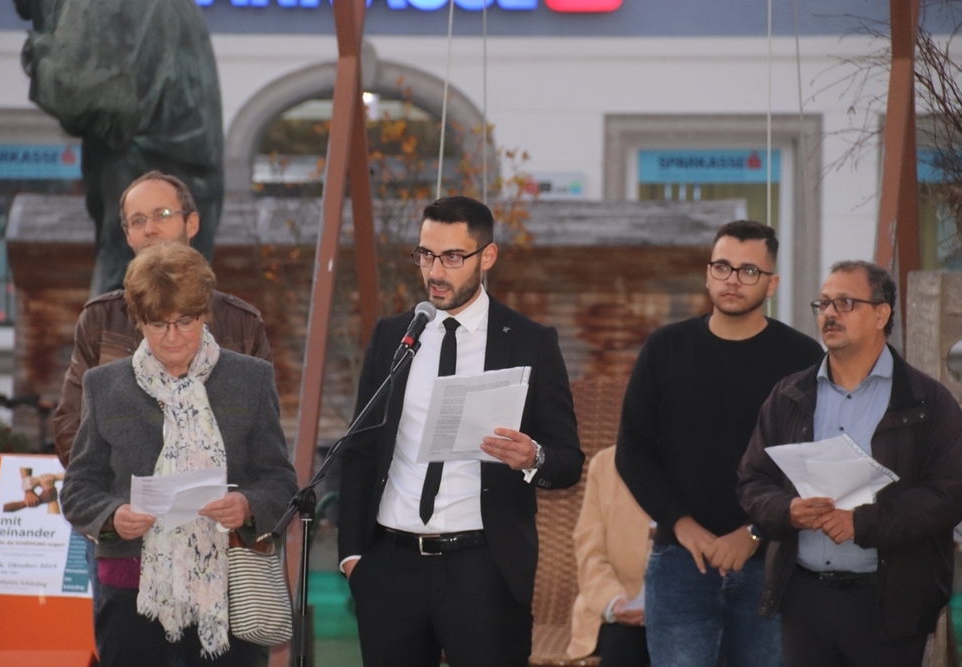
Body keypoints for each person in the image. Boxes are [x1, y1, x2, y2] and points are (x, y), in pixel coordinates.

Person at [338, 195, 584, 667]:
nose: (435, 271)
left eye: (452, 257)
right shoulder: (393, 336)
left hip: (483, 569)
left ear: (487, 256)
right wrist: (353, 557)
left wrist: (533, 457)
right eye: (425, 254)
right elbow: (360, 450)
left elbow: (569, 460)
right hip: (390, 567)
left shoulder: (530, 341)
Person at [60, 243, 298, 667]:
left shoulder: (251, 379)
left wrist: (247, 505)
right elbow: (78, 489)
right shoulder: (103, 386)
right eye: (157, 324)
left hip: (228, 588)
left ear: (204, 314)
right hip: (131, 594)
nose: (172, 337)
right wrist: (113, 516)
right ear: (138, 322)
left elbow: (280, 482)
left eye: (184, 321)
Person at [616, 220, 823, 667]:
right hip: (680, 562)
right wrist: (682, 525)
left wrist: (755, 532)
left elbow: (813, 463)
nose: (733, 279)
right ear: (708, 273)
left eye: (749, 271)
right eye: (723, 266)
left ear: (771, 284)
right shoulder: (665, 348)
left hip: (771, 563)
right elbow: (632, 449)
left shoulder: (803, 359)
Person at [737, 261, 962, 667]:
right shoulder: (788, 396)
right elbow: (752, 481)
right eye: (823, 303)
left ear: (881, 314)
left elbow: (949, 494)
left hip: (890, 604)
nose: (829, 313)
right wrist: (787, 510)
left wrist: (863, 523)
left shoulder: (928, 402)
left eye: (845, 303)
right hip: (803, 600)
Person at [54, 170, 271, 469]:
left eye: (162, 215)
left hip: (221, 493)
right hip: (126, 495)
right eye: (137, 221)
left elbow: (264, 437)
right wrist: (115, 488)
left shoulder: (242, 323)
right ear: (127, 234)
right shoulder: (99, 319)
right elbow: (70, 424)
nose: (150, 229)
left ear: (191, 223)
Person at [15, 0, 224, 295]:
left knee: (131, 301)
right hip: (182, 174)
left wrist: (36, 52)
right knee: (167, 299)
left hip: (144, 174)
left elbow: (73, 90)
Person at [567, 445, 651, 666]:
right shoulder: (605, 464)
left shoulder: (701, 462)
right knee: (624, 647)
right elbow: (590, 554)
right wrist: (615, 602)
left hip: (689, 606)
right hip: (620, 607)